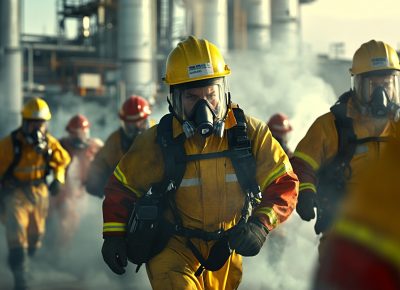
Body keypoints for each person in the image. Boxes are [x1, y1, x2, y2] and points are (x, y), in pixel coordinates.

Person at [101, 35, 298, 289]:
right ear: (174, 99)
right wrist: (114, 236)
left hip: (226, 251)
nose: (204, 107)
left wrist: (260, 225)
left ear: (224, 91)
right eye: (192, 98)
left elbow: (284, 183)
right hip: (173, 247)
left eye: (211, 95)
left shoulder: (249, 134)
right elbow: (121, 187)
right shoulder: (158, 142)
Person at [291, 40, 400, 256]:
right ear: (357, 84)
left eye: (386, 86)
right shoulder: (331, 126)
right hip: (344, 237)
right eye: (373, 86)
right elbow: (303, 162)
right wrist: (305, 191)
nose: (381, 95)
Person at [0, 97, 71, 289]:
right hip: (16, 194)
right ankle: (20, 278)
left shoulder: (50, 144)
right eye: (33, 124)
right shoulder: (10, 145)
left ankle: (22, 260)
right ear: (25, 123)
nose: (37, 129)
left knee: (35, 236)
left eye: (41, 124)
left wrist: (58, 179)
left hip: (40, 194)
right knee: (17, 233)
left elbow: (61, 161)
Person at [49, 114, 103, 248]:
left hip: (87, 192)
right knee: (62, 222)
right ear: (69, 133)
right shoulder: (61, 146)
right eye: (75, 134)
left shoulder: (96, 146)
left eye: (82, 133)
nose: (79, 138)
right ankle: (58, 251)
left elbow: (107, 164)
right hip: (64, 191)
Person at [85, 95, 151, 198]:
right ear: (124, 123)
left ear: (147, 119)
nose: (137, 128)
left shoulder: (157, 135)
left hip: (152, 193)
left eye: (141, 123)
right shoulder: (115, 141)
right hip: (123, 195)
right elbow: (100, 163)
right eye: (131, 125)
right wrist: (95, 182)